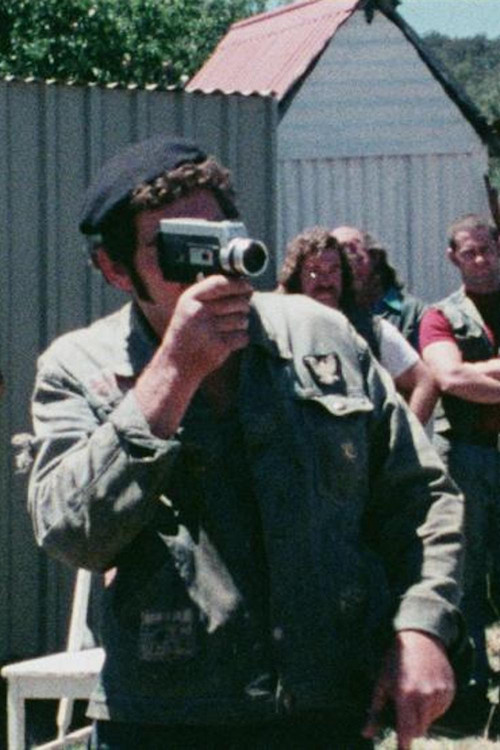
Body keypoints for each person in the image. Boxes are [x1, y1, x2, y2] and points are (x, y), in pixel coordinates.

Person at [25, 134, 465, 750]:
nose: (209, 268)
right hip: (168, 717)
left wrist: (421, 626)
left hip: (327, 704)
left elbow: (419, 497)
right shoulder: (79, 367)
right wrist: (173, 373)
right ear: (115, 269)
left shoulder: (321, 336)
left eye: (219, 239)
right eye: (176, 250)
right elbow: (73, 533)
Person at [420, 213, 500, 701]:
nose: (480, 260)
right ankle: (470, 684)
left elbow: (466, 376)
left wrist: (480, 373)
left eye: (487, 249)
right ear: (453, 258)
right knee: (464, 572)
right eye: (469, 252)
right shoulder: (440, 316)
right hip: (466, 457)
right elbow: (449, 378)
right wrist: (471, 375)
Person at [277, 227, 437, 426]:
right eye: (314, 271)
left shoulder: (372, 331)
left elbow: (425, 382)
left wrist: (403, 437)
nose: (325, 281)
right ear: (296, 277)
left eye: (333, 270)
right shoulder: (278, 331)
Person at [331, 226, 427, 350]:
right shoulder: (327, 313)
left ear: (375, 258)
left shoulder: (411, 312)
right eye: (341, 265)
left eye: (357, 260)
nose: (351, 270)